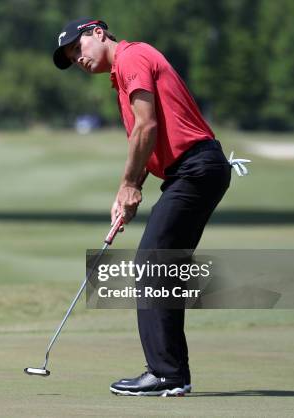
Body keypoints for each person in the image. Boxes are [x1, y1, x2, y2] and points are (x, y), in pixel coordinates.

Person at [53, 17, 249, 396]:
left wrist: (128, 185)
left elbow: (147, 127)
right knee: (164, 268)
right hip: (190, 172)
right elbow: (147, 145)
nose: (77, 59)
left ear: (98, 33)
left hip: (195, 168)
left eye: (78, 48)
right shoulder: (122, 74)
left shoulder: (132, 56)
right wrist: (129, 192)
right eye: (70, 57)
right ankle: (173, 374)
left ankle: (167, 374)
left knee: (153, 264)